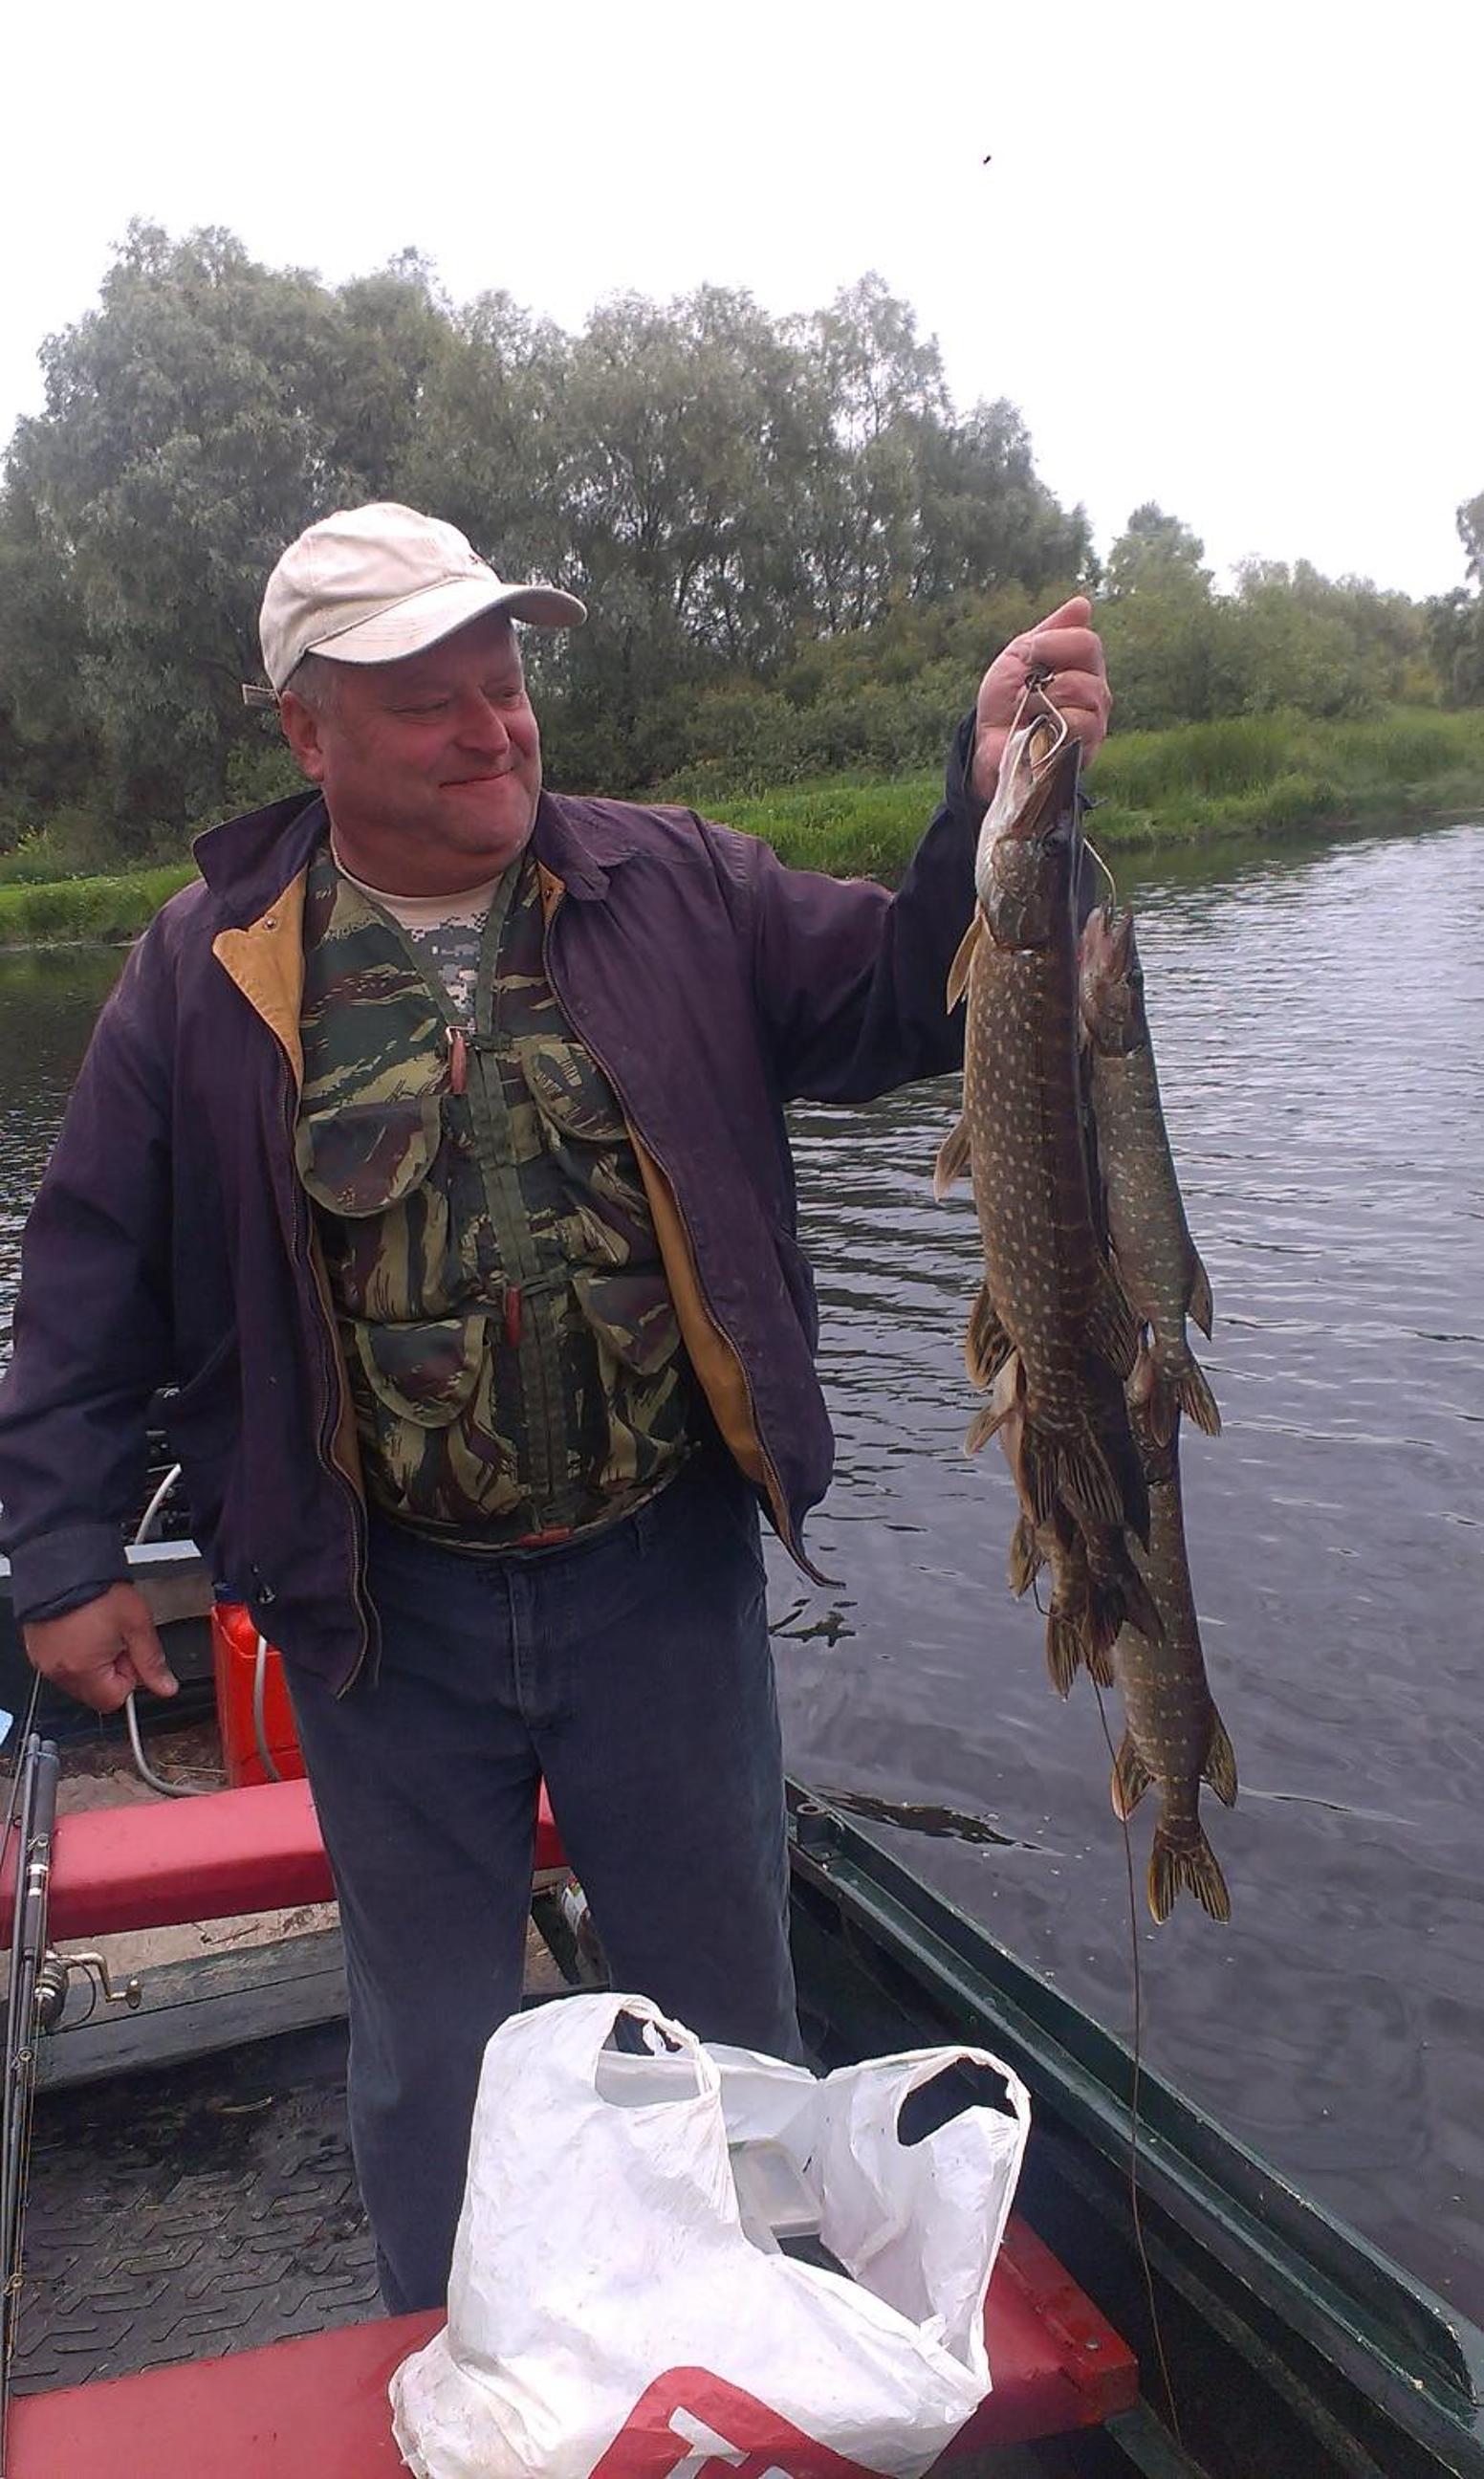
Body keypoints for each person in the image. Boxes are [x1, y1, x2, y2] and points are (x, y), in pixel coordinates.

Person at [0, 502, 1109, 2309]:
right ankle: (465, 2367)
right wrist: (62, 1550)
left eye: (503, 684)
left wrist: (987, 801)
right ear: (308, 731)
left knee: (731, 2036)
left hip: (659, 1585)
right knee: (435, 2060)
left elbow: (913, 993)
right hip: (380, 1618)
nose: (492, 729)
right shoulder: (205, 968)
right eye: (429, 701)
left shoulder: (675, 884)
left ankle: (752, 2356)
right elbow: (90, 1271)